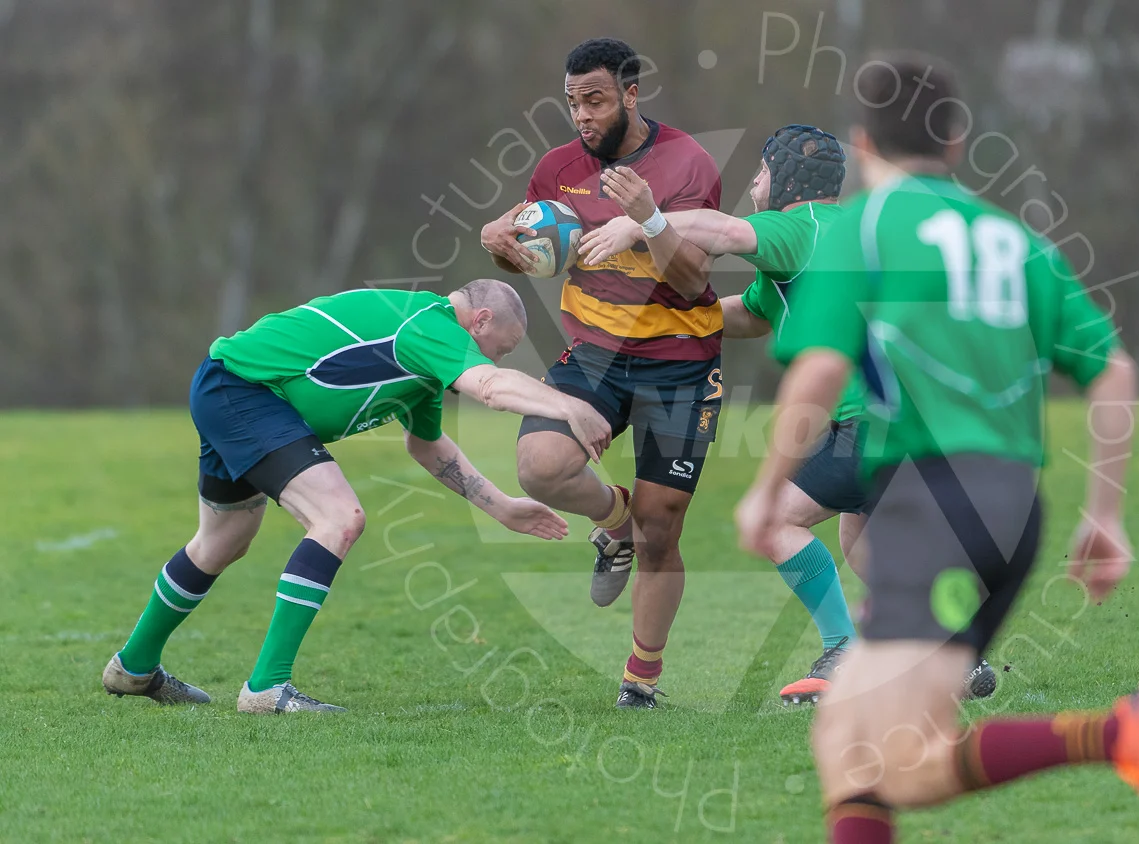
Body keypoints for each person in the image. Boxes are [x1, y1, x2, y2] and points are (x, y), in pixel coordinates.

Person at [735, 56, 1139, 841]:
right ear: (956, 141)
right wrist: (1105, 515)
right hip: (1008, 507)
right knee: (856, 745)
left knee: (876, 752)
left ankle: (1120, 736)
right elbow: (1112, 368)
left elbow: (819, 367)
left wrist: (766, 490)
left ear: (863, 143)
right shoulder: (1015, 241)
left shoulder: (864, 227)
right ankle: (1117, 737)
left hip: (934, 506)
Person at [581, 124, 997, 705]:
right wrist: (657, 326)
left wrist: (642, 220)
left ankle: (844, 648)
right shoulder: (836, 234)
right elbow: (749, 314)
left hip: (873, 419)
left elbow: (720, 230)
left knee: (777, 519)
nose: (753, 182)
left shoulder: (798, 225)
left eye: (760, 171)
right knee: (860, 537)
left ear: (786, 180)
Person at [101, 281, 611, 714]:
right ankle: (266, 688)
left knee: (223, 539)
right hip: (246, 393)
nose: (497, 356)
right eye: (502, 345)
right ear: (478, 321)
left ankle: (133, 667)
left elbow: (426, 443)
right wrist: (569, 406)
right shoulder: (428, 326)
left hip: (230, 386)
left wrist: (500, 507)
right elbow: (493, 388)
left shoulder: (426, 355)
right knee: (338, 518)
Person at [480, 38, 723, 709]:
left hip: (680, 363)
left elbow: (694, 276)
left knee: (663, 527)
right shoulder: (557, 167)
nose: (582, 115)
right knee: (541, 465)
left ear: (631, 94)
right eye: (572, 103)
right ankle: (614, 524)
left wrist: (645, 218)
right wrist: (503, 247)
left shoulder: (687, 163)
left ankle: (641, 681)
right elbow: (537, 256)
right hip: (593, 353)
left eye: (595, 100)